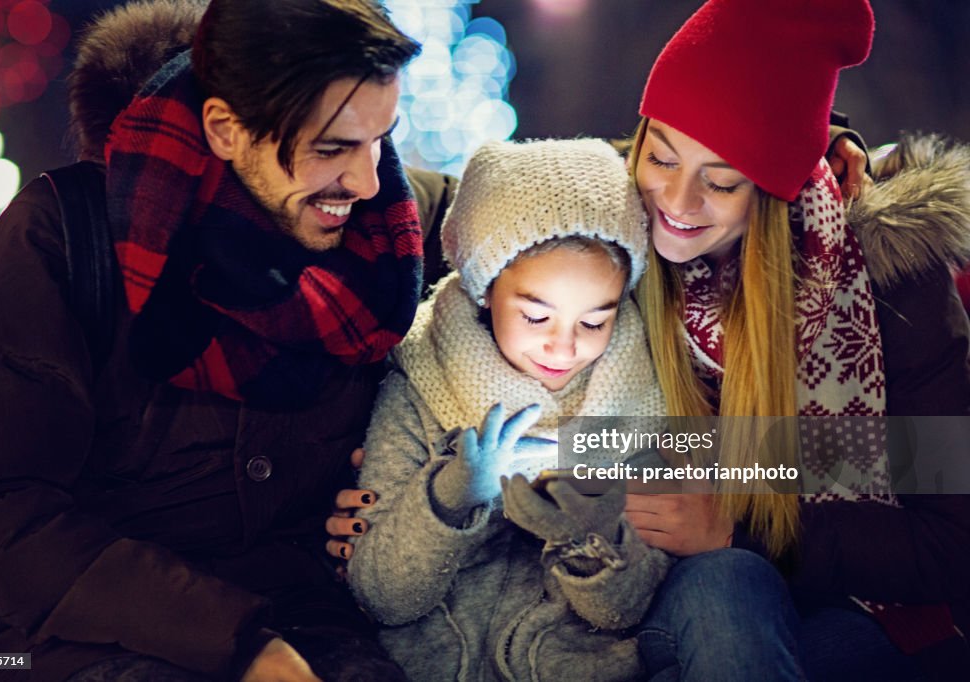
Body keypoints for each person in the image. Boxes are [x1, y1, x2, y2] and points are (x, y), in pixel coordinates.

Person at [0, 0, 449, 680]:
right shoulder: (65, 236)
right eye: (331, 148)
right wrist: (237, 644)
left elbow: (582, 247)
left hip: (311, 623)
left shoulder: (395, 232)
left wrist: (640, 469)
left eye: (382, 138)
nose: (365, 181)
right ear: (224, 129)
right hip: (71, 634)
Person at [624, 0, 970, 679]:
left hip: (865, 607)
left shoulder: (896, 277)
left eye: (720, 182)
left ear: (774, 192)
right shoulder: (608, 231)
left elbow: (951, 541)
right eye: (661, 157)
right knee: (725, 591)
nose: (676, 201)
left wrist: (739, 530)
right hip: (672, 591)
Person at [346, 138, 670, 681]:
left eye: (594, 322)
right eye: (536, 317)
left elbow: (626, 609)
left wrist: (588, 536)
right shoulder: (418, 385)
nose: (564, 349)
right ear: (485, 289)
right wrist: (451, 496)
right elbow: (382, 596)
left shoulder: (640, 402)